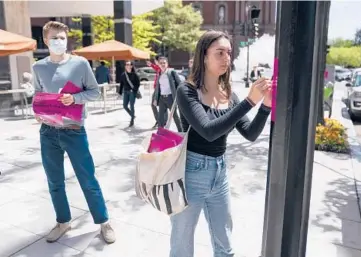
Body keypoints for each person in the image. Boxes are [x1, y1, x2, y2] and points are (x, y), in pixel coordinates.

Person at [171, 30, 272, 257]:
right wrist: (249, 101)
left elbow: (250, 133)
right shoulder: (187, 91)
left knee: (225, 246)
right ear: (204, 56)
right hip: (190, 174)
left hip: (220, 174)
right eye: (219, 53)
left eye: (229, 52)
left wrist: (265, 105)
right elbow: (208, 131)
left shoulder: (229, 94)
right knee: (182, 247)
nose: (227, 58)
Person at [32, 21, 115, 244]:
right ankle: (63, 221)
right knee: (54, 181)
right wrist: (37, 111)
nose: (59, 41)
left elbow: (94, 92)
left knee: (87, 178)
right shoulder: (38, 67)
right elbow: (38, 94)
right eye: (55, 38)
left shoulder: (80, 64)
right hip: (48, 132)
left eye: (62, 37)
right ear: (46, 40)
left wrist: (75, 98)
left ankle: (104, 222)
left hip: (74, 131)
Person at [153, 56, 182, 132]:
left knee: (175, 116)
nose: (162, 64)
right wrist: (156, 99)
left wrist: (179, 97)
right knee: (160, 118)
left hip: (171, 98)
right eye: (161, 63)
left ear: (167, 64)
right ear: (158, 64)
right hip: (162, 99)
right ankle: (160, 133)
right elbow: (157, 88)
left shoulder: (172, 72)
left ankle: (181, 132)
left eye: (164, 63)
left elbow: (180, 84)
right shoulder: (159, 74)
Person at [146, 56, 167, 128]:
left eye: (155, 61)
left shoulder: (162, 68)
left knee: (163, 106)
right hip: (156, 90)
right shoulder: (158, 68)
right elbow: (155, 67)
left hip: (161, 90)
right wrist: (151, 65)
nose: (155, 62)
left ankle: (163, 121)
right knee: (153, 104)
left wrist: (151, 64)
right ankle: (159, 120)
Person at [118, 61, 140, 127]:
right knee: (124, 106)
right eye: (126, 64)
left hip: (132, 92)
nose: (127, 66)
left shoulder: (135, 74)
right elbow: (121, 84)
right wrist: (120, 92)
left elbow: (138, 84)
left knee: (131, 106)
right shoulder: (123, 75)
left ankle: (132, 120)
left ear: (131, 66)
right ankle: (132, 115)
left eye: (128, 64)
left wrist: (133, 90)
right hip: (125, 92)